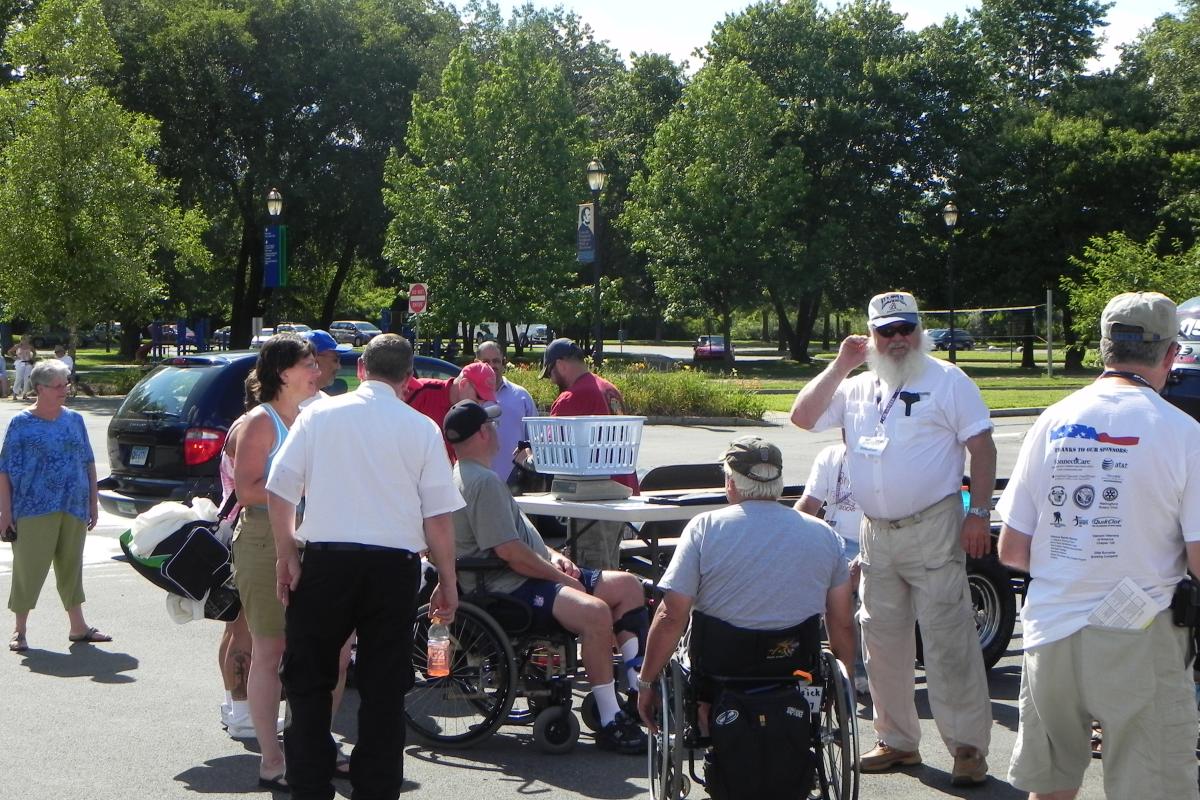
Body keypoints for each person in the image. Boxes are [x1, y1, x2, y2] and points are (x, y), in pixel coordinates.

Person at [996, 291, 1200, 800]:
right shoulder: (1184, 433)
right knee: (1149, 785)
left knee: (1052, 784)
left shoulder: (1051, 420)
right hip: (1142, 629)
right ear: (1171, 354)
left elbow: (1012, 550)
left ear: (1103, 347)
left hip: (1050, 630)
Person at [790, 290, 994, 786]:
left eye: (906, 329)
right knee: (881, 640)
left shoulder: (947, 379)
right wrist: (840, 365)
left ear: (920, 329)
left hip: (934, 523)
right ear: (872, 335)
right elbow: (803, 416)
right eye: (887, 331)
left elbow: (982, 447)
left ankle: (968, 748)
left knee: (948, 640)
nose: (899, 339)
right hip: (875, 531)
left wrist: (979, 513)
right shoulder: (858, 386)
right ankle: (898, 740)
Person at [267, 334, 463, 800]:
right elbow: (438, 516)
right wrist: (448, 581)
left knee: (308, 681)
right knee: (383, 686)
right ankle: (375, 790)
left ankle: (309, 787)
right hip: (392, 569)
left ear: (361, 370)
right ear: (408, 377)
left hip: (326, 562)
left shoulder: (317, 414)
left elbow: (280, 490)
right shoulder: (421, 428)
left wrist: (286, 553)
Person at [444, 399, 649, 754]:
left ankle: (637, 691)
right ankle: (611, 717)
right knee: (597, 612)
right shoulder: (482, 483)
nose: (496, 430)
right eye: (490, 425)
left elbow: (523, 536)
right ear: (482, 433)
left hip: (531, 574)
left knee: (628, 586)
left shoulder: (473, 475)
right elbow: (509, 552)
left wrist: (555, 557)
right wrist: (561, 578)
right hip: (509, 587)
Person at [635, 436, 855, 739]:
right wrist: (843, 687)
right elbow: (841, 621)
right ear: (778, 481)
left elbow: (671, 616)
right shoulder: (824, 536)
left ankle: (709, 722)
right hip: (794, 663)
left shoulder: (705, 528)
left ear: (730, 482)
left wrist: (646, 682)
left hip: (721, 666)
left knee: (692, 651)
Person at [230, 333, 320, 789]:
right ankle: (271, 759)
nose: (318, 372)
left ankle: (312, 745)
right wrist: (303, 488)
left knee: (330, 653)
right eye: (309, 364)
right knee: (271, 650)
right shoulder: (260, 421)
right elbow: (247, 489)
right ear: (283, 372)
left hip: (313, 538)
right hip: (265, 538)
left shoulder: (310, 415)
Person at [1, 359, 109, 652]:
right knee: (29, 568)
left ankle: (78, 627)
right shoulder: (21, 424)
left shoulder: (74, 419)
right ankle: (19, 630)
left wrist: (93, 501)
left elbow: (87, 461)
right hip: (33, 507)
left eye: (66, 383)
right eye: (58, 385)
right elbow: (5, 469)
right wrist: (6, 512)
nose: (65, 389)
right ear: (40, 388)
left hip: (72, 505)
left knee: (71, 566)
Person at [540, 338, 639, 569]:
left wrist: (527, 455)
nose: (552, 380)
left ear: (561, 364)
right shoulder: (609, 388)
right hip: (621, 489)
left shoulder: (572, 397)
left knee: (592, 573)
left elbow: (550, 449)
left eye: (550, 373)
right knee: (611, 569)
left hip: (591, 495)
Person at [796, 437, 869, 696]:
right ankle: (804, 669)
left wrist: (863, 558)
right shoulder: (830, 456)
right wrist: (789, 532)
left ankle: (857, 671)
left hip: (872, 541)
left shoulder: (882, 458)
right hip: (834, 541)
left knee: (856, 593)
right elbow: (809, 505)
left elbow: (888, 520)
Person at [403, 361, 497, 458]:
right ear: (464, 384)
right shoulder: (422, 391)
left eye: (485, 400)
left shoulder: (474, 415)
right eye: (479, 396)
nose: (481, 404)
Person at [475, 341, 538, 479]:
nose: (492, 366)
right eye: (486, 361)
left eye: (496, 361)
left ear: (503, 363)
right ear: (476, 363)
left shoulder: (521, 396)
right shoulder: (468, 398)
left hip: (517, 485)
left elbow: (536, 439)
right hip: (479, 484)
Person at [301, 330, 351, 401]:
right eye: (335, 360)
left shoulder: (325, 401)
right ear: (314, 361)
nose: (339, 367)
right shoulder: (289, 405)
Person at [8, 335, 36, 400]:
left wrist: (32, 358)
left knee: (27, 379)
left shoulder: (30, 346)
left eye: (28, 339)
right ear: (22, 340)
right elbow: (9, 351)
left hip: (28, 363)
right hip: (20, 363)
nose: (27, 340)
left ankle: (25, 394)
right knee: (19, 378)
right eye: (25, 339)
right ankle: (15, 393)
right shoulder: (18, 346)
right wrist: (14, 357)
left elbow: (34, 352)